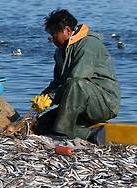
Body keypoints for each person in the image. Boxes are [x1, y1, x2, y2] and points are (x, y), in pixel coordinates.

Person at [33, 9, 120, 143]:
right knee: (41, 125)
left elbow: (77, 79)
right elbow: (58, 82)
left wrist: (52, 97)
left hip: (103, 102)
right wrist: (44, 96)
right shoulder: (59, 52)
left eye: (54, 34)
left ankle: (60, 135)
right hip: (76, 102)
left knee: (75, 83)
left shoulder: (88, 44)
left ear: (67, 30)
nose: (51, 39)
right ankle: (91, 135)